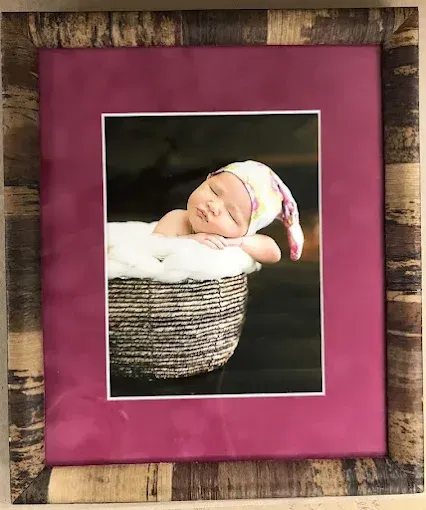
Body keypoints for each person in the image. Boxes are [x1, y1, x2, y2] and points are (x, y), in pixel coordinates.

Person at [153, 160, 304, 264]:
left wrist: (237, 242)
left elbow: (274, 253)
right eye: (214, 191)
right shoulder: (178, 219)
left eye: (231, 214)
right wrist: (192, 241)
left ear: (245, 231)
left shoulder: (237, 238)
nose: (213, 206)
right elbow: (154, 248)